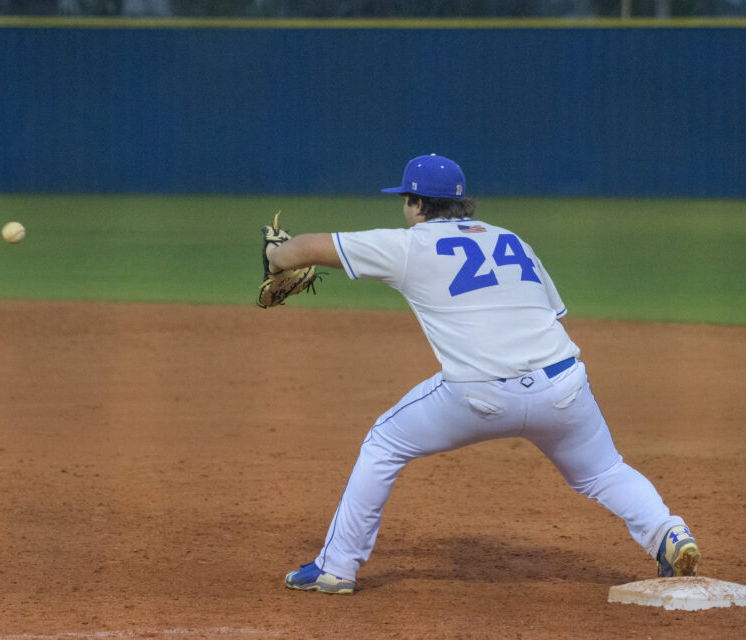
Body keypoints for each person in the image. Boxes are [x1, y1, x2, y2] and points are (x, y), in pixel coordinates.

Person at [266, 153, 700, 595]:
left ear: (418, 204)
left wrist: (274, 255)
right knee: (604, 471)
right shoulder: (511, 239)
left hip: (479, 397)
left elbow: (307, 247)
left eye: (406, 200)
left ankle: (337, 567)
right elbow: (553, 314)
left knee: (384, 442)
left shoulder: (409, 245)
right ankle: (669, 533)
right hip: (564, 386)